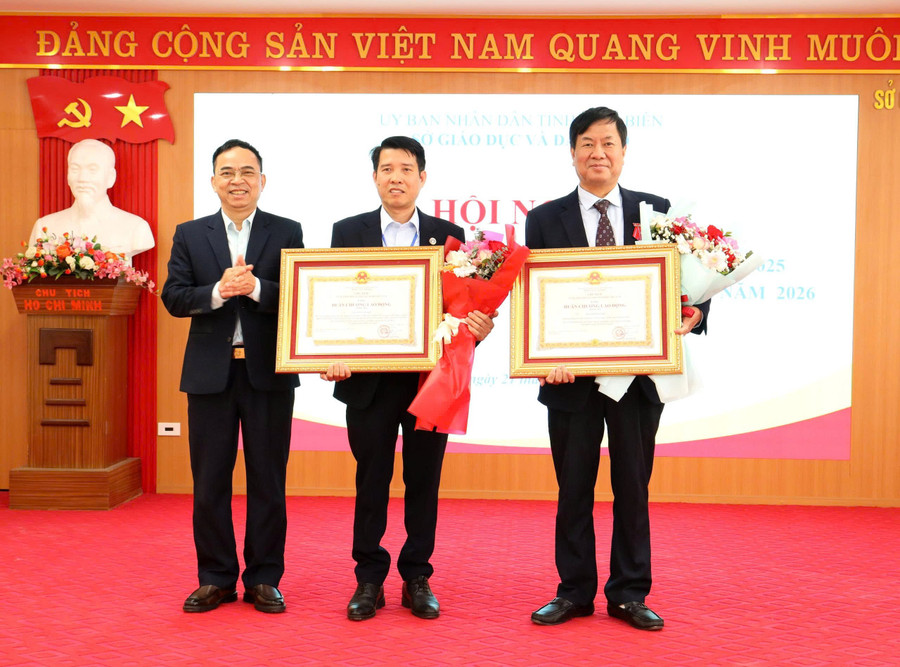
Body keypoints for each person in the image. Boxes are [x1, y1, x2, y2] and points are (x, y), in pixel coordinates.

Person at [525, 107, 710, 630]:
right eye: (587, 143)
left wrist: (695, 312)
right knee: (573, 490)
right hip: (570, 379)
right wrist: (541, 357)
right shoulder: (544, 219)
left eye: (608, 143)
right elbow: (536, 297)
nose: (598, 153)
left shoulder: (656, 211)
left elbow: (688, 280)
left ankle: (629, 592)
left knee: (632, 486)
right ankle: (573, 592)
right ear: (572, 153)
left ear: (624, 152)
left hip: (637, 377)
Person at [321, 136, 495, 621]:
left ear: (422, 177)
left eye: (405, 168)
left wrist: (477, 328)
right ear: (374, 176)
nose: (395, 177)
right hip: (368, 382)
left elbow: (461, 309)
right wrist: (330, 353)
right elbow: (333, 302)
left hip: (430, 381)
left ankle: (417, 575)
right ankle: (369, 578)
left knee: (424, 481)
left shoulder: (448, 235)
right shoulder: (347, 231)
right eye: (386, 168)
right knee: (370, 480)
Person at [161, 139, 304, 614]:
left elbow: (302, 294)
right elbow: (174, 297)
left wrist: (258, 287)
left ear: (262, 180)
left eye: (247, 172)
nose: (237, 180)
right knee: (209, 483)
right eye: (227, 172)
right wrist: (218, 291)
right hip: (209, 376)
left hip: (268, 375)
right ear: (213, 181)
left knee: (269, 482)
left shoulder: (287, 230)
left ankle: (264, 578)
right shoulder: (189, 234)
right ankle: (216, 578)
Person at [29, 139, 155, 262]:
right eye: (75, 169)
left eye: (92, 169)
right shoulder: (45, 227)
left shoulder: (136, 228)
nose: (82, 178)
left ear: (111, 177)